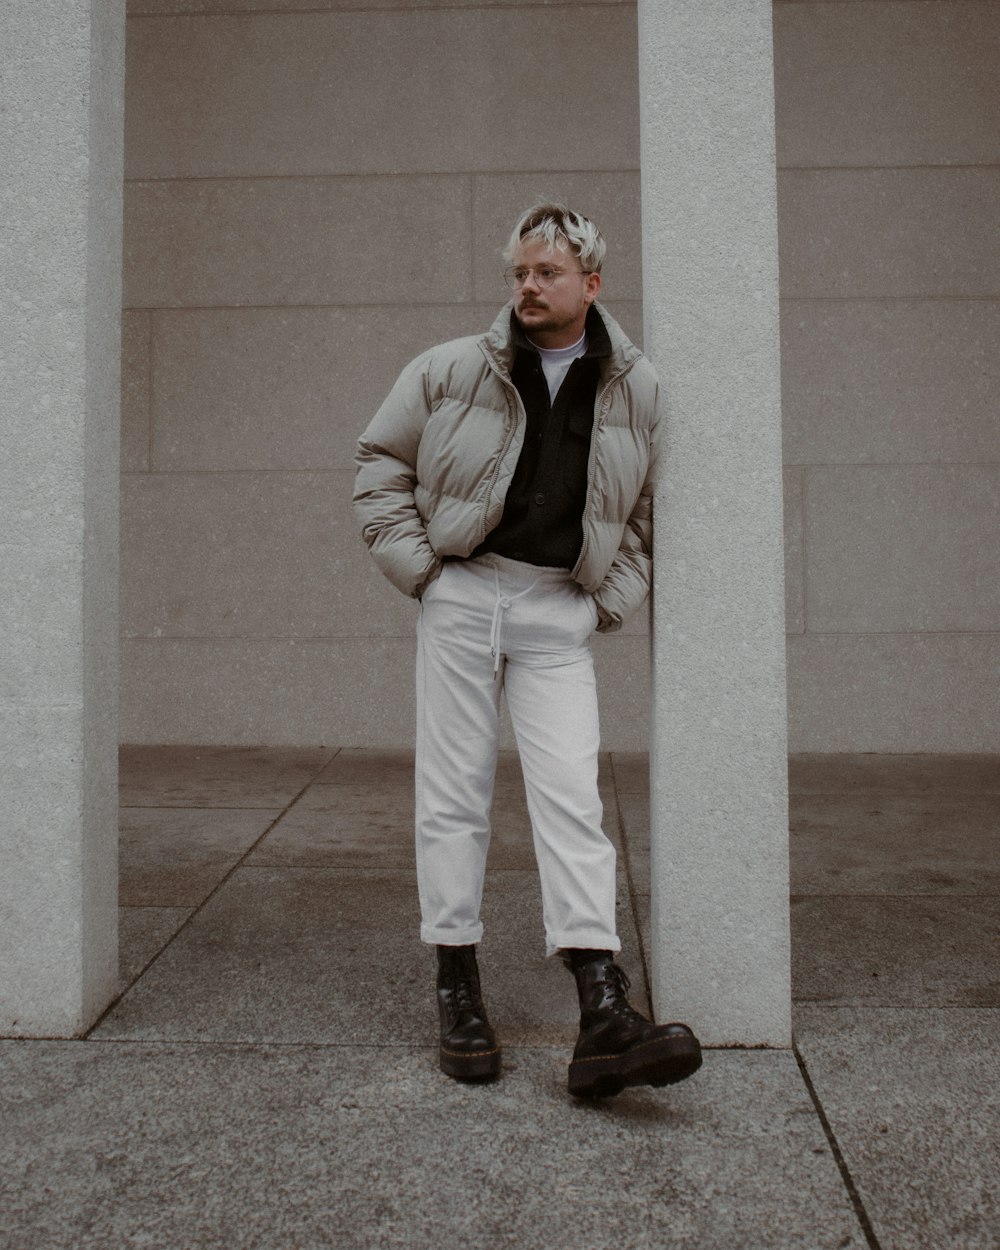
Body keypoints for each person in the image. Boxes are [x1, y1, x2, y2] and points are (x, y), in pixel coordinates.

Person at [354, 203, 701, 1098]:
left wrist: (604, 604)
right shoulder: (450, 369)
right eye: (518, 273)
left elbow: (649, 517)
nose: (527, 287)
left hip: (556, 612)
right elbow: (379, 467)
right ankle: (458, 989)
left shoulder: (638, 386)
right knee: (453, 794)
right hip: (465, 593)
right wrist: (427, 577)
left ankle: (601, 1007)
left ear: (591, 283)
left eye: (546, 273)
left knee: (572, 801)